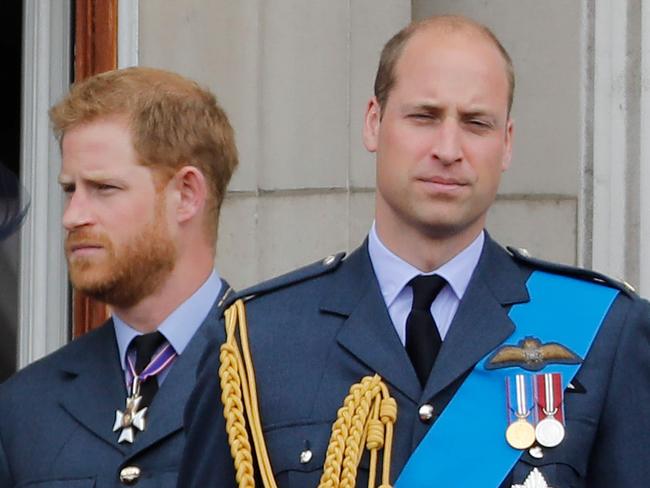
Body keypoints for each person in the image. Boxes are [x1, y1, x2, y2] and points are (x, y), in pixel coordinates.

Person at [179, 15, 650, 488]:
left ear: (506, 144)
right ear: (373, 123)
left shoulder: (607, 334)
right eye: (424, 116)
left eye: (476, 123)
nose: (448, 149)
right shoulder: (257, 341)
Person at [0, 67, 238, 487]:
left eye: (104, 188)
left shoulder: (275, 375)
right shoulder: (25, 405)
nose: (72, 216)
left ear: (186, 194)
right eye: (70, 190)